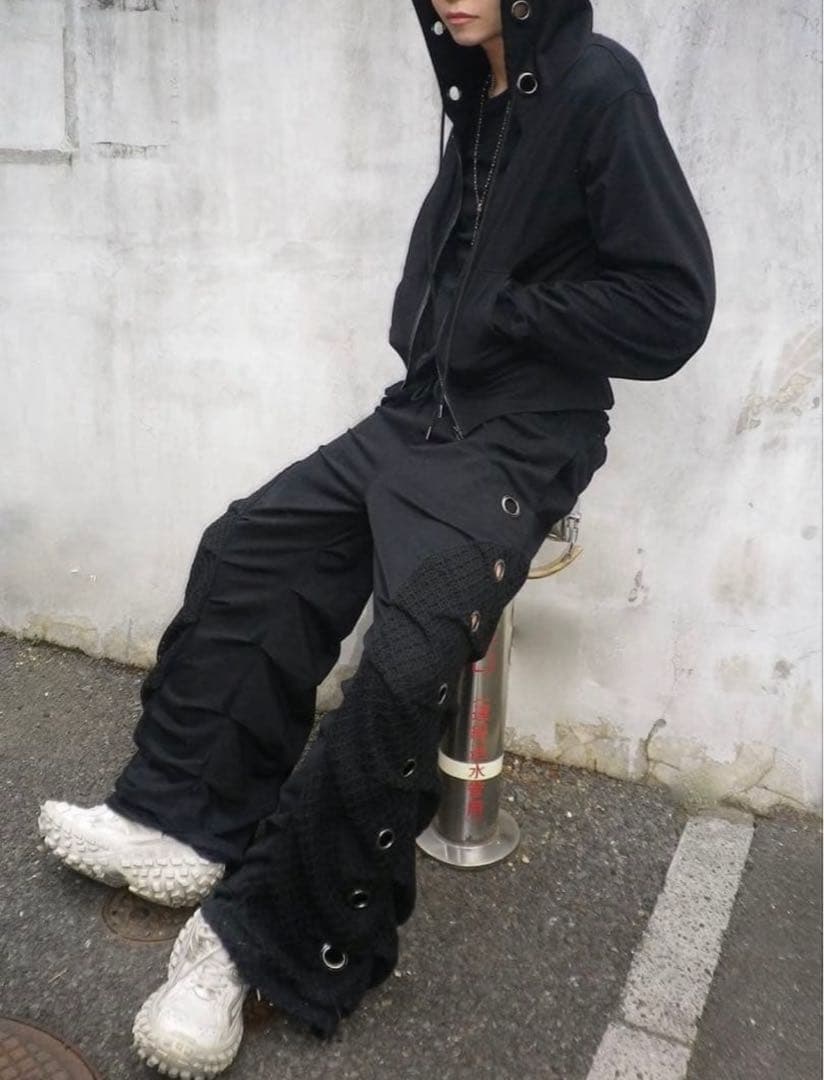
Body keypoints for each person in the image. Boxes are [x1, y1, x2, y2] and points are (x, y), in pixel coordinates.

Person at [37, 0, 715, 1075]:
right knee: (252, 545)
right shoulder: (480, 85)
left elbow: (671, 306)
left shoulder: (598, 86)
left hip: (523, 435)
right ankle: (182, 816)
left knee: (403, 661)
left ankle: (253, 947)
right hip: (421, 413)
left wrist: (507, 314)